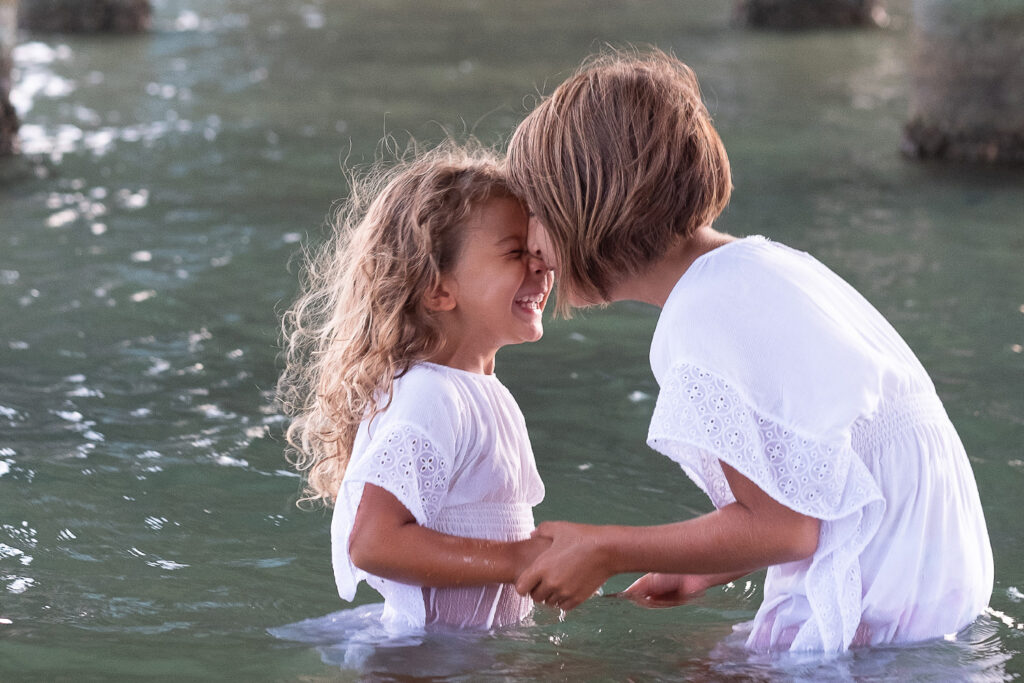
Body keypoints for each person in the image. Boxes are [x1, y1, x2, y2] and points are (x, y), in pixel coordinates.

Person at [505, 50, 993, 652]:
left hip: (878, 604)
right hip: (933, 584)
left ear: (588, 205)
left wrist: (606, 548)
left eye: (533, 213)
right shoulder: (764, 266)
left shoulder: (699, 317)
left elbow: (787, 528)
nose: (528, 245)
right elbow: (820, 483)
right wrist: (703, 564)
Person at [276, 142, 554, 633]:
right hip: (422, 661)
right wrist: (517, 560)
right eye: (516, 253)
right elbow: (374, 543)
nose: (542, 266)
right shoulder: (431, 396)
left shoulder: (479, 390)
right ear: (438, 289)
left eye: (538, 251)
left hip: (467, 655)